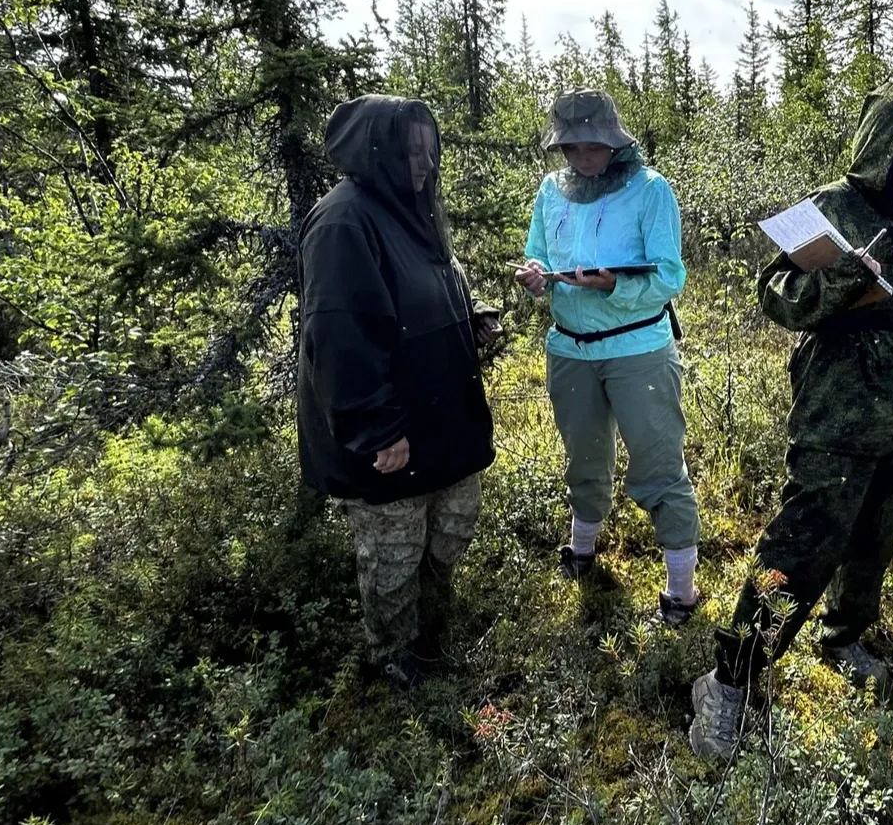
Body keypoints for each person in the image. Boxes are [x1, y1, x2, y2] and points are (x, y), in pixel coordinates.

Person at [689, 88, 893, 759]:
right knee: (806, 537)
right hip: (837, 392)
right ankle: (728, 680)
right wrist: (843, 275)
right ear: (882, 143)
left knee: (875, 528)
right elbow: (778, 296)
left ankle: (842, 637)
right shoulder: (825, 207)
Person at [296, 94, 499, 692]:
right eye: (411, 151)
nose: (424, 163)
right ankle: (394, 656)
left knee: (451, 531)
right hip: (393, 432)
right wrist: (377, 428)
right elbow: (339, 334)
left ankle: (435, 626)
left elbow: (432, 286)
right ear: (374, 151)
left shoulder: (414, 209)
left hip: (444, 419)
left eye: (429, 151)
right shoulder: (343, 222)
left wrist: (472, 314)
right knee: (393, 556)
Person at [513, 89, 700, 626]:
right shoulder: (551, 192)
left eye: (591, 146)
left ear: (613, 142)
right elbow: (540, 257)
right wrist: (533, 276)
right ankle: (583, 549)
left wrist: (614, 284)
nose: (581, 158)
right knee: (584, 456)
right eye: (570, 148)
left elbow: (670, 277)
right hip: (570, 348)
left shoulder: (651, 191)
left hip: (638, 347)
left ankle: (680, 591)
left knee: (659, 464)